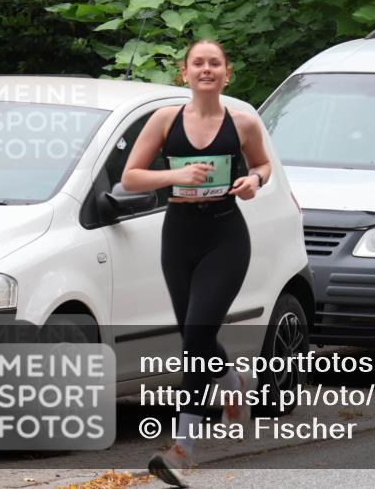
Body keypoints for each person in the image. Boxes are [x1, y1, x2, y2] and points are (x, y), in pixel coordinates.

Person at [121, 40, 272, 487]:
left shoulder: (243, 123)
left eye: (215, 63)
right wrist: (175, 176)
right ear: (183, 74)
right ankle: (233, 379)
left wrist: (252, 181)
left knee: (198, 334)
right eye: (198, 63)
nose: (207, 69)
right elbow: (131, 177)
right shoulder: (165, 120)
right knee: (193, 332)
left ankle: (183, 448)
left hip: (226, 236)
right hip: (179, 235)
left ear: (228, 73)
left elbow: (263, 166)